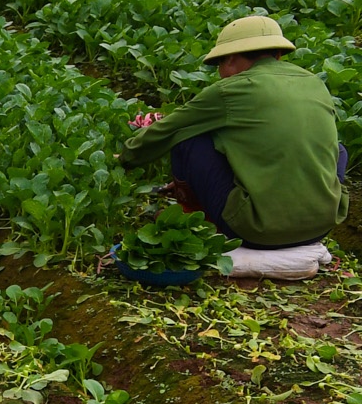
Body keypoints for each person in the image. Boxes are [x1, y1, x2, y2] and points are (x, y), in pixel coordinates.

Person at [120, 15, 349, 250]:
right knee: (339, 150)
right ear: (278, 54)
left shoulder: (230, 90)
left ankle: (194, 219)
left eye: (219, 64)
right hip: (322, 225)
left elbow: (172, 128)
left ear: (230, 58)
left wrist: (126, 158)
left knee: (188, 139)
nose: (220, 72)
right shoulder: (314, 83)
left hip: (256, 231)